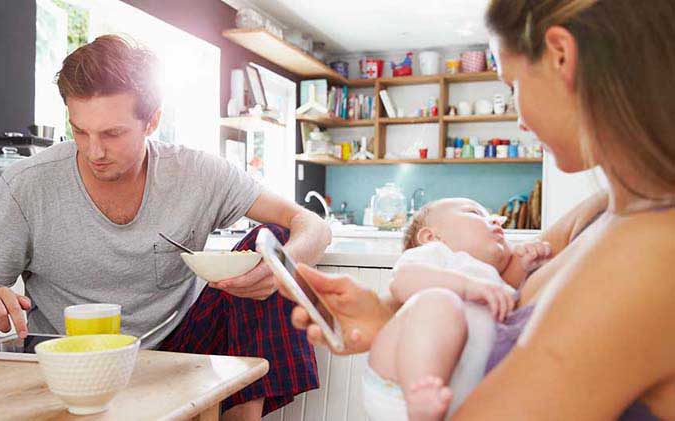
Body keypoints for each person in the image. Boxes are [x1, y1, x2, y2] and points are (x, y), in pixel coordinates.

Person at [286, 0, 675, 419]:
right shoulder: (600, 214)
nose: (520, 120)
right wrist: (391, 322)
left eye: (513, 85)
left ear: (562, 56)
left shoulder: (649, 253)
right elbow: (494, 331)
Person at [0, 35, 331, 420]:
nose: (94, 151)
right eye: (80, 131)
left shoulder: (196, 172)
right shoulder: (26, 184)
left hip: (179, 344)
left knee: (275, 245)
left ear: (152, 121)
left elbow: (310, 224)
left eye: (113, 134)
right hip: (75, 359)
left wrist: (284, 267)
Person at [365, 198, 551, 420]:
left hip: (451, 396)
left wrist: (528, 264)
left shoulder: (490, 278)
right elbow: (401, 281)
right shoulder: (436, 254)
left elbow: (514, 301)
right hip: (401, 387)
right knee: (440, 301)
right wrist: (466, 287)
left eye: (491, 216)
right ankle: (421, 396)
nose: (494, 221)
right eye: (475, 213)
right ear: (430, 236)